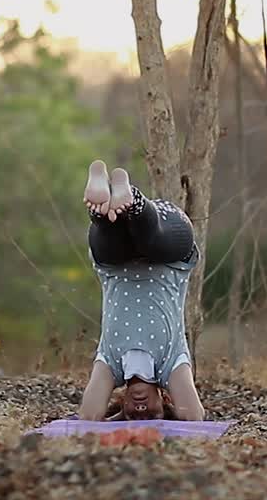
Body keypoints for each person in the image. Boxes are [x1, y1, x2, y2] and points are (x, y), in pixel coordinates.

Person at [76, 160, 206, 422]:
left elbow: (88, 417)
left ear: (122, 405)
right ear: (165, 398)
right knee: (152, 239)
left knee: (109, 235)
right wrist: (169, 423)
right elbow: (194, 417)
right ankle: (132, 199)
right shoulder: (171, 365)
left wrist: (112, 423)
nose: (141, 408)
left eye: (133, 415)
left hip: (114, 262)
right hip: (170, 244)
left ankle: (102, 206)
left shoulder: (110, 365)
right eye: (152, 413)